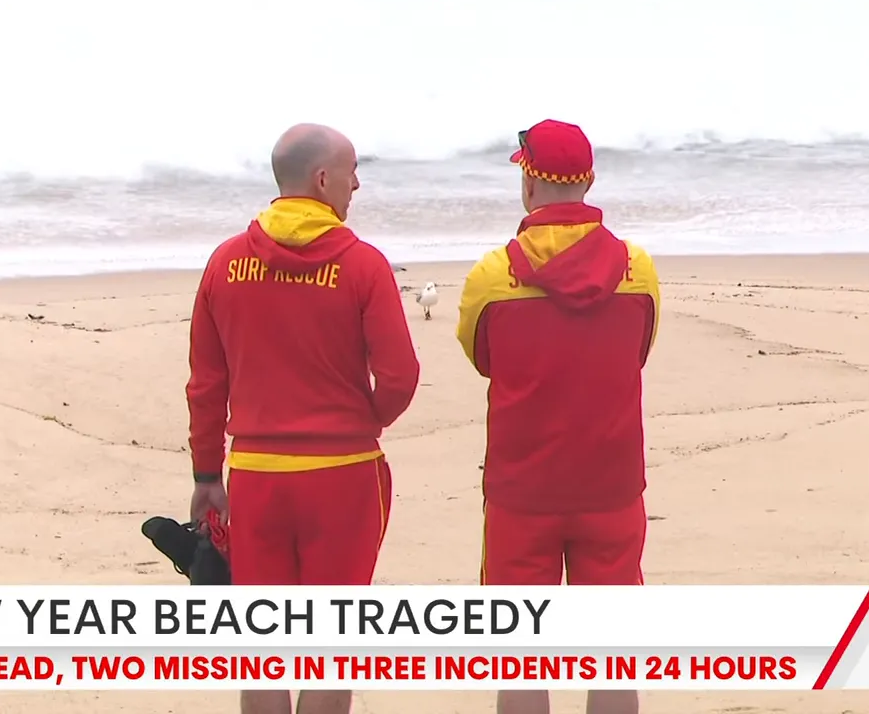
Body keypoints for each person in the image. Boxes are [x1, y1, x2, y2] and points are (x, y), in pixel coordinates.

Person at [185, 123, 421, 714]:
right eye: (352, 172)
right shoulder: (363, 265)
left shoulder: (225, 263)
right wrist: (361, 420)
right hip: (343, 474)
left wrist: (207, 475)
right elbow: (399, 376)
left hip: (257, 477)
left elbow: (206, 385)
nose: (357, 184)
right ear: (322, 179)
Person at [455, 119, 660, 714]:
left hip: (523, 489)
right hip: (611, 483)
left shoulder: (493, 275)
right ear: (589, 181)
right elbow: (638, 350)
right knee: (613, 662)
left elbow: (483, 359)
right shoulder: (637, 269)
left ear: (527, 183)